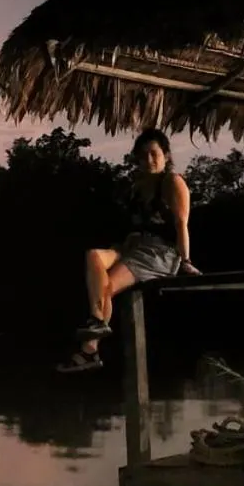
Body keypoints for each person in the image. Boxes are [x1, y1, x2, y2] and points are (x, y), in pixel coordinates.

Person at [58, 128, 200, 373]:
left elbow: (181, 223)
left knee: (107, 288)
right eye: (143, 156)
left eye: (154, 154)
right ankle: (97, 323)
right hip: (135, 247)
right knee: (93, 256)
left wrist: (185, 260)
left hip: (160, 253)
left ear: (165, 155)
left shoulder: (172, 181)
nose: (149, 160)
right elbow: (136, 224)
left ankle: (90, 348)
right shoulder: (138, 187)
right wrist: (126, 242)